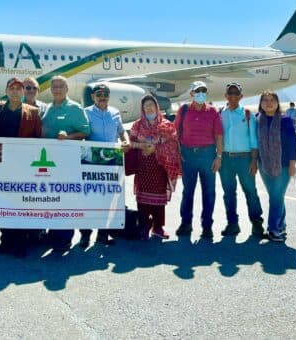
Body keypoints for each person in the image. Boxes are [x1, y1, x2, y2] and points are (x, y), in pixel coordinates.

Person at [0, 77, 43, 257]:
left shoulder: (33, 113)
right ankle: (6, 240)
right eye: (11, 88)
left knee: (21, 205)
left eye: (19, 89)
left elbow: (38, 140)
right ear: (6, 91)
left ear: (23, 92)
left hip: (23, 167)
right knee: (3, 204)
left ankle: (21, 242)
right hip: (1, 166)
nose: (15, 91)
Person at [41, 75, 91, 251]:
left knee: (66, 200)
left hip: (69, 162)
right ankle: (53, 234)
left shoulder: (75, 108)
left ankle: (64, 238)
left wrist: (68, 137)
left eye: (61, 86)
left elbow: (85, 131)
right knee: (51, 198)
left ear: (67, 89)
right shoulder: (48, 109)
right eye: (54, 86)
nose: (57, 89)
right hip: (49, 163)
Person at [81, 83, 129, 247]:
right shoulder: (85, 112)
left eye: (105, 94)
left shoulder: (115, 112)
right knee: (88, 198)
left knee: (108, 199)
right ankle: (85, 235)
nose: (102, 97)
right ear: (93, 97)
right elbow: (81, 133)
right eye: (99, 94)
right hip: (91, 161)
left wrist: (126, 141)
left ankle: (103, 234)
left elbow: (122, 131)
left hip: (111, 160)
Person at [127, 94, 182, 240]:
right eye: (146, 106)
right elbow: (130, 143)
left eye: (151, 105)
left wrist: (155, 149)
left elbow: (173, 144)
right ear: (142, 109)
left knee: (159, 200)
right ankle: (144, 227)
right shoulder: (137, 125)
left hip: (159, 169)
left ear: (157, 107)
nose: (149, 108)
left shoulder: (166, 125)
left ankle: (158, 228)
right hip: (143, 169)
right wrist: (142, 145)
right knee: (142, 200)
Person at [173, 81, 223, 239]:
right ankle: (186, 223)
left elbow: (218, 135)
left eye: (203, 91)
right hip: (188, 156)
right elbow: (175, 132)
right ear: (191, 94)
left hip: (207, 155)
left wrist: (219, 156)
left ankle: (207, 225)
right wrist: (178, 151)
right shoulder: (184, 109)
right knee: (188, 191)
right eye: (197, 91)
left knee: (209, 192)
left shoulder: (213, 111)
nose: (201, 94)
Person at [218, 82, 264, 237]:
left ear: (241, 96)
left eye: (236, 93)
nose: (232, 96)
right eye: (230, 93)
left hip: (245, 160)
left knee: (250, 191)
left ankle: (257, 223)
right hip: (225, 160)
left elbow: (253, 140)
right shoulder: (219, 114)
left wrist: (254, 160)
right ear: (225, 96)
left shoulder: (247, 114)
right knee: (228, 193)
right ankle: (232, 224)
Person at [257, 91, 296, 242]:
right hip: (264, 165)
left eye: (272, 100)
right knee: (277, 197)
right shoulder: (257, 119)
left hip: (283, 165)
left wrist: (292, 165)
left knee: (275, 197)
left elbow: (293, 143)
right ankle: (282, 225)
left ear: (277, 102)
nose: (269, 103)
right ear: (260, 103)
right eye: (265, 100)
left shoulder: (285, 120)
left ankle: (273, 229)